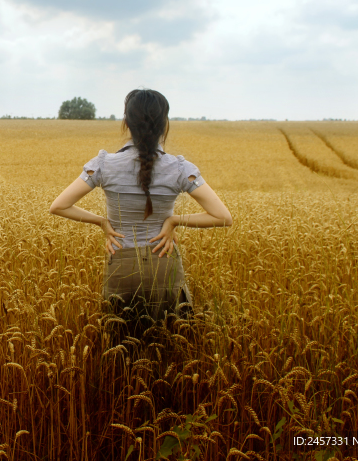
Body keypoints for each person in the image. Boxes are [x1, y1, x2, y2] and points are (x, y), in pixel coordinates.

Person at [48, 89, 232, 341]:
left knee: (120, 346)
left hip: (121, 263)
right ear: (164, 125)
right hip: (164, 260)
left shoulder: (103, 164)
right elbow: (223, 217)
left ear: (126, 123)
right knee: (171, 343)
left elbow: (58, 206)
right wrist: (175, 220)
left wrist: (103, 222)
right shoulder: (180, 168)